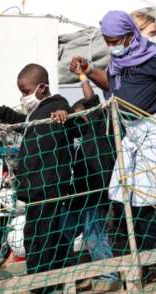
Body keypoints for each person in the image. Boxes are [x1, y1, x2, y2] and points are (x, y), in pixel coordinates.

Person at [69, 10, 156, 253]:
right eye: (107, 41)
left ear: (131, 34)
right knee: (129, 197)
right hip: (135, 132)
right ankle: (146, 257)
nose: (112, 46)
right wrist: (89, 70)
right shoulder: (118, 61)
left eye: (115, 41)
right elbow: (113, 85)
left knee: (155, 201)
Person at [0, 64, 76, 290]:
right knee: (34, 236)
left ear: (42, 88)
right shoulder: (35, 113)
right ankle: (41, 280)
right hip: (34, 187)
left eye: (25, 91)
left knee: (43, 237)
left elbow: (71, 117)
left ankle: (44, 284)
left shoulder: (57, 105)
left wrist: (64, 115)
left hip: (49, 186)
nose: (23, 97)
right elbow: (22, 123)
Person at [60, 72, 121, 289]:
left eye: (77, 119)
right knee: (63, 232)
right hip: (77, 195)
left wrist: (82, 77)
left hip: (96, 193)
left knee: (94, 234)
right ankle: (70, 275)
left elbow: (91, 100)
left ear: (85, 117)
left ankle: (109, 277)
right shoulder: (72, 138)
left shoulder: (96, 128)